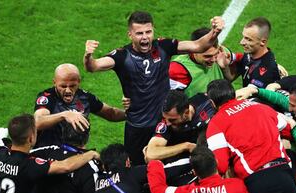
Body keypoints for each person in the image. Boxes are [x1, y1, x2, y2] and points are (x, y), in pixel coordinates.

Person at [84, 11, 224, 165]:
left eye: (148, 32)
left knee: (170, 165)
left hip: (165, 123)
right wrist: (88, 57)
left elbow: (198, 45)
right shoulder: (121, 56)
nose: (145, 37)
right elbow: (94, 66)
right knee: (138, 169)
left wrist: (215, 32)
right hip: (138, 127)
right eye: (139, 33)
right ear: (130, 34)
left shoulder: (164, 46)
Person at [205, 79, 296, 193]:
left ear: (212, 103)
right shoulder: (259, 106)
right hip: (283, 174)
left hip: (256, 182)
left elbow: (221, 165)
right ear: (233, 94)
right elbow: (285, 127)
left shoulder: (215, 124)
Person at [147, 145, 257, 193]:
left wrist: (154, 163)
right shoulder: (237, 186)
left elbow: (157, 189)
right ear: (216, 162)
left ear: (194, 172)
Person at [34, 63, 125, 147]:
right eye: (63, 86)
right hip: (48, 153)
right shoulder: (47, 98)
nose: (68, 90)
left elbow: (111, 113)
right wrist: (65, 115)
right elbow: (38, 121)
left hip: (76, 151)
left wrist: (133, 113)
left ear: (79, 81)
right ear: (54, 82)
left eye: (72, 86)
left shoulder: (85, 98)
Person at [93, 143, 189, 193]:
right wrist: (194, 160)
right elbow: (169, 170)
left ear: (104, 167)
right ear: (127, 162)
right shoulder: (131, 173)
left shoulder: (97, 182)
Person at [29, 123, 100, 193]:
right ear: (87, 137)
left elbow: (21, 152)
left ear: (63, 134)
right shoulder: (90, 167)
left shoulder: (46, 153)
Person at [169, 27, 233, 97]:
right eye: (207, 56)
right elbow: (171, 102)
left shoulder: (223, 53)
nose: (213, 60)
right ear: (193, 51)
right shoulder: (178, 69)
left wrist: (225, 68)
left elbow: (241, 62)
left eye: (215, 54)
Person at [229, 17, 280, 88]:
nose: (241, 42)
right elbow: (231, 77)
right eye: (243, 37)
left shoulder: (267, 69)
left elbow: (250, 95)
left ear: (263, 42)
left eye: (248, 39)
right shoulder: (250, 54)